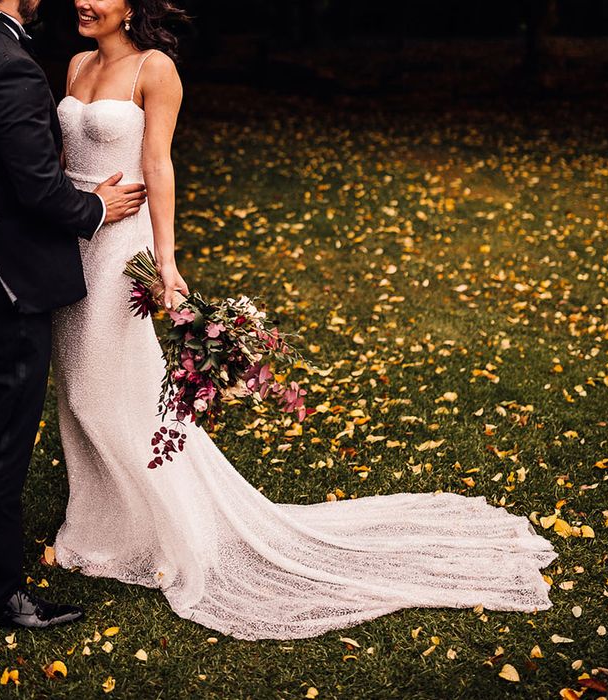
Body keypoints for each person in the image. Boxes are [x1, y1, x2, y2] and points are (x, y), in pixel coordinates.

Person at [51, 0, 558, 642]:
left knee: (112, 389)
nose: (82, 1)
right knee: (79, 391)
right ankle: (96, 525)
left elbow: (158, 165)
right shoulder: (73, 63)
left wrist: (167, 260)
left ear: (132, 6)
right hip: (75, 240)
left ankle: (165, 532)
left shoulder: (157, 69)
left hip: (124, 249)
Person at [0, 0, 148, 629]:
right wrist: (95, 207)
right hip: (8, 279)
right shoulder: (11, 68)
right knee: (3, 432)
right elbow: (37, 187)